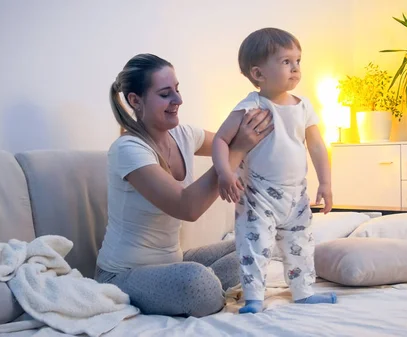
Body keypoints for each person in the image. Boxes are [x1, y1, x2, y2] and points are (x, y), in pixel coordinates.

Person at [94, 53, 274, 318]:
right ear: (135, 101)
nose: (178, 100)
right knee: (196, 283)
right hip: (122, 275)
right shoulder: (128, 149)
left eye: (177, 90)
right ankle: (203, 285)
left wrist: (275, 117)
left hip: (173, 263)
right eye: (166, 94)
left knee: (251, 244)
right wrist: (238, 148)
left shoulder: (185, 135)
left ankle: (201, 284)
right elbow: (186, 206)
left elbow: (235, 142)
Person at [211, 27, 337, 314]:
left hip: (297, 195)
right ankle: (254, 296)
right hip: (258, 195)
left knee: (301, 244)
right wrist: (224, 173)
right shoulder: (252, 105)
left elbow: (317, 146)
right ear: (258, 74)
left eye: (298, 61)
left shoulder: (304, 106)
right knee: (255, 248)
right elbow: (220, 139)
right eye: (285, 62)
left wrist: (326, 182)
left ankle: (304, 292)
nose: (295, 68)